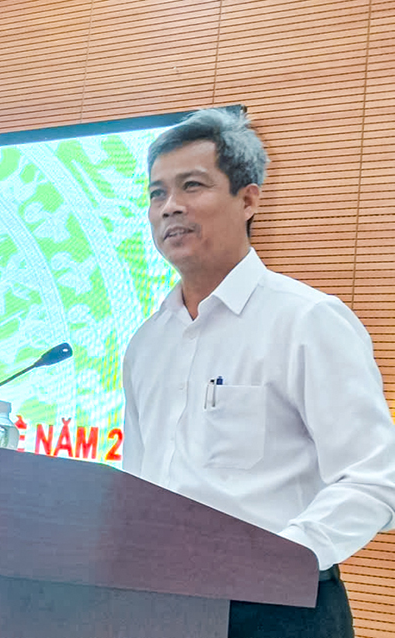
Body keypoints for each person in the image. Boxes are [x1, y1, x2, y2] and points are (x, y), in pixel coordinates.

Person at [122, 107, 395, 638]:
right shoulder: (146, 342)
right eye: (156, 193)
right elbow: (139, 483)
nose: (169, 206)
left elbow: (374, 480)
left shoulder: (308, 320)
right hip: (159, 606)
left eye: (191, 186)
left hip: (278, 610)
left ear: (248, 200)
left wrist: (279, 560)